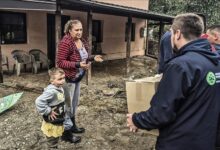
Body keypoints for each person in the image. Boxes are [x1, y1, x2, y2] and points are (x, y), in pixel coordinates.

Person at [127, 13, 220, 150]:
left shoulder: (180, 66)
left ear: (177, 34)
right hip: (207, 140)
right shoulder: (215, 62)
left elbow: (161, 112)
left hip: (179, 142)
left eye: (170, 33)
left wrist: (136, 120)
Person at [57, 19, 103, 143]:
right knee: (67, 106)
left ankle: (73, 126)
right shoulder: (66, 42)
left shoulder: (82, 41)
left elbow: (85, 57)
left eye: (81, 29)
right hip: (68, 79)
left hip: (77, 78)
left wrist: (93, 57)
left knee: (74, 104)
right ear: (69, 30)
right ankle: (66, 133)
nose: (79, 32)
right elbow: (60, 62)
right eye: (76, 30)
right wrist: (77, 65)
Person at [35, 68, 80, 149]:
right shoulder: (51, 91)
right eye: (59, 79)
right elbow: (38, 101)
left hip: (59, 118)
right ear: (52, 81)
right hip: (53, 121)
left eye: (63, 78)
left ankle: (62, 139)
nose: (63, 81)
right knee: (52, 140)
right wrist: (48, 111)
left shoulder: (59, 87)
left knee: (57, 136)